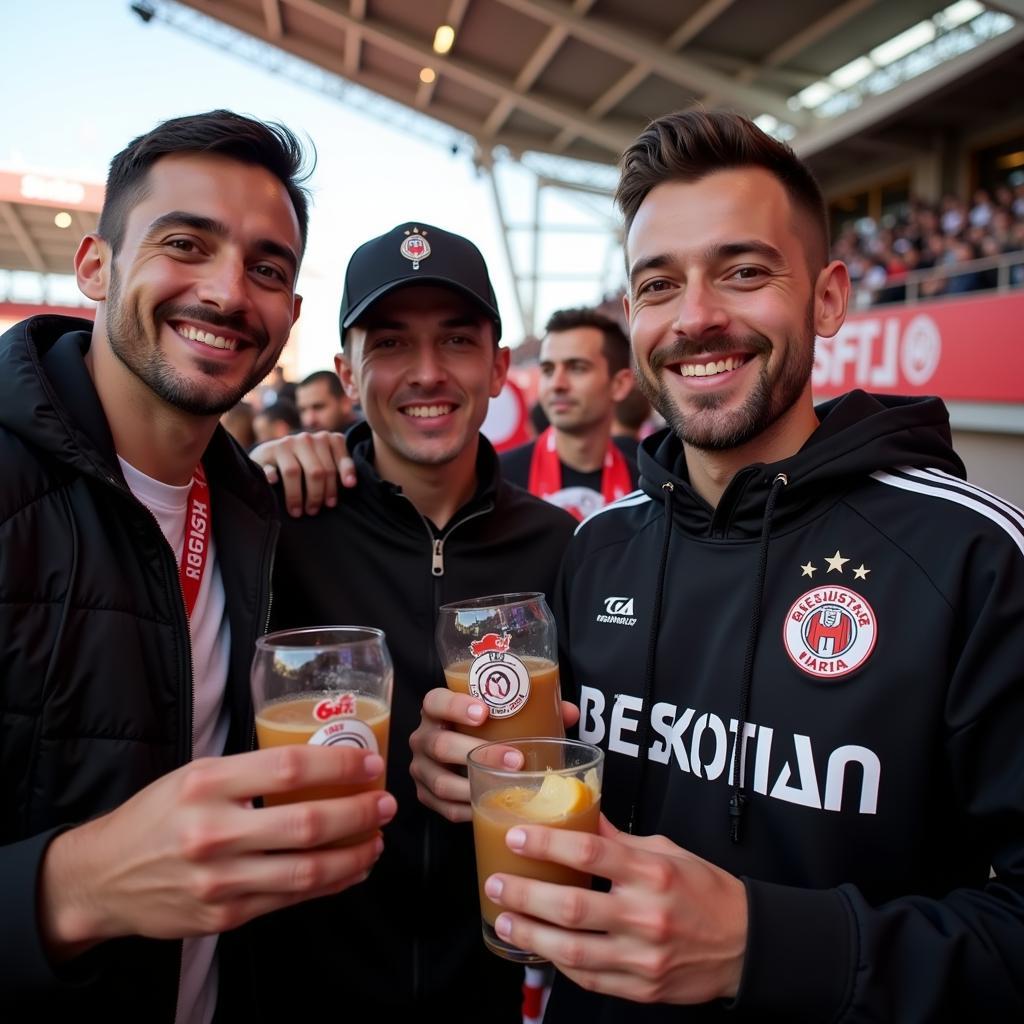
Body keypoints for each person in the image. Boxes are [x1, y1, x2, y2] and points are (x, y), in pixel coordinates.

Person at [409, 110, 1024, 1021]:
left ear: (826, 299)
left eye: (742, 272)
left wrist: (767, 946)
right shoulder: (600, 547)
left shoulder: (973, 559)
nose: (696, 318)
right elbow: (547, 775)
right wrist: (458, 764)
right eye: (660, 285)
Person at [0, 110, 395, 1022]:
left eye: (267, 269)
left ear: (289, 317)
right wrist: (72, 889)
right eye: (186, 243)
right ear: (96, 267)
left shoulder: (260, 514)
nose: (226, 294)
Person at [247, 222, 576, 1022]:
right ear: (346, 373)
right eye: (390, 343)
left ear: (500, 367)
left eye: (457, 340)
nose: (427, 374)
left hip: (488, 987)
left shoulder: (566, 547)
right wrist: (249, 479)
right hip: (295, 984)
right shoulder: (273, 524)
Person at [502, 307, 637, 520]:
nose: (557, 384)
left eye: (577, 368)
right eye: (548, 370)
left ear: (620, 384)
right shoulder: (499, 481)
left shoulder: (647, 487)